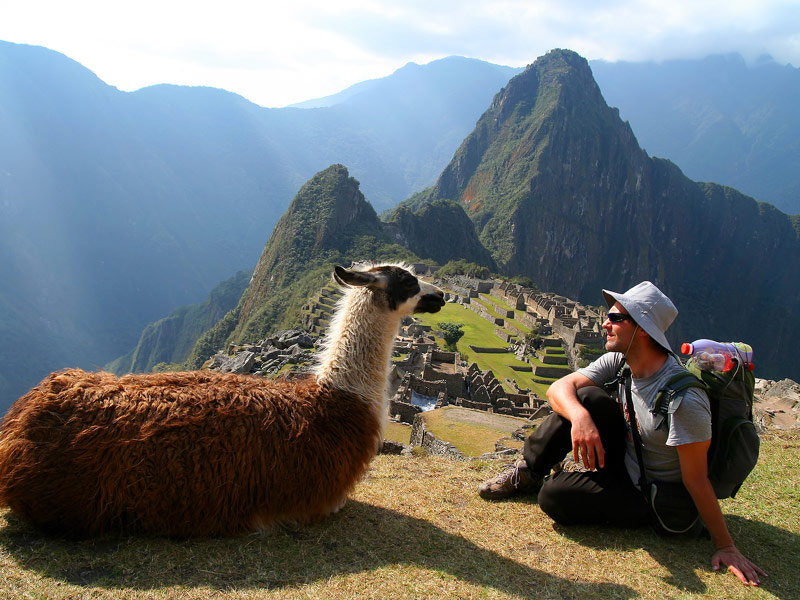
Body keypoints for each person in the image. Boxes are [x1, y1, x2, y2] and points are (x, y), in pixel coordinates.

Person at [478, 281, 766, 587]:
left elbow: (696, 479)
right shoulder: (622, 360)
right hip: (626, 458)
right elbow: (558, 388)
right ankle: (528, 472)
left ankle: (563, 484)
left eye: (615, 319)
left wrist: (726, 546)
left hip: (651, 494)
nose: (605, 323)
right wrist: (580, 420)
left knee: (554, 497)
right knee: (584, 400)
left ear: (642, 329)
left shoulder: (684, 400)